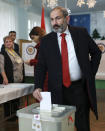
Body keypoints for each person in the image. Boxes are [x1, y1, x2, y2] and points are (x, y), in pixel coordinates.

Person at [33, 6, 102, 131]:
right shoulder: (46, 41)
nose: (55, 23)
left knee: (82, 125)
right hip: (57, 91)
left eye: (58, 18)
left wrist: (90, 73)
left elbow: (96, 53)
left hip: (79, 89)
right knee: (60, 126)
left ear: (67, 18)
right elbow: (40, 66)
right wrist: (37, 86)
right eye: (52, 19)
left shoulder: (81, 33)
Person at [0, 36, 24, 118]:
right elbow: (1, 67)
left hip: (19, 78)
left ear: (13, 42)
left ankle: (15, 113)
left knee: (16, 97)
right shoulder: (2, 53)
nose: (8, 43)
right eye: (6, 41)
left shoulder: (16, 52)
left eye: (10, 41)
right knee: (9, 98)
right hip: (10, 79)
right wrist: (4, 78)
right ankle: (9, 116)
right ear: (4, 43)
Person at [25, 26, 48, 91]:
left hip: (44, 77)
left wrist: (31, 61)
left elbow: (44, 62)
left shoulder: (43, 46)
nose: (33, 40)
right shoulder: (42, 45)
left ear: (38, 35)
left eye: (33, 37)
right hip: (42, 76)